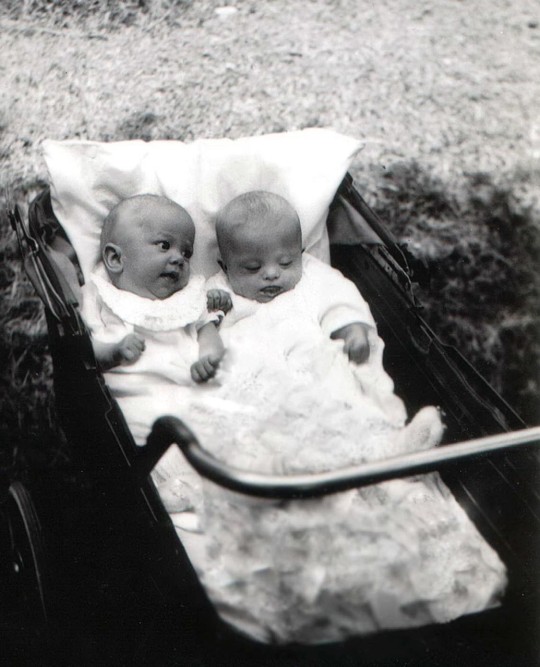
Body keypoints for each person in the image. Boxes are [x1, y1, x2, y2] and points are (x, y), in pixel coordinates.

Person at [180, 191, 506, 644]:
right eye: (251, 269)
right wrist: (209, 341)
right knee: (264, 433)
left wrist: (352, 328)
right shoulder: (219, 291)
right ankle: (314, 482)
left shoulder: (313, 279)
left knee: (342, 395)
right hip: (266, 390)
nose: (271, 275)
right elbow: (201, 324)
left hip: (318, 372)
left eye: (284, 261)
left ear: (300, 253)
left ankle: (384, 454)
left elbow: (341, 301)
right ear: (225, 263)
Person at [80, 194, 230, 511]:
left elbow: (209, 333)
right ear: (116, 259)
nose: (179, 259)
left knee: (226, 435)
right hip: (139, 398)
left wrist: (210, 357)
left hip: (192, 391)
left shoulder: (189, 298)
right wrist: (114, 352)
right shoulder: (100, 296)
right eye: (164, 246)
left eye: (186, 253)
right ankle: (178, 491)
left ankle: (226, 486)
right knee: (163, 448)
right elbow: (84, 351)